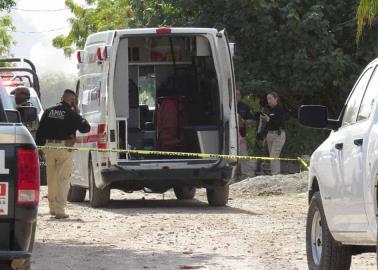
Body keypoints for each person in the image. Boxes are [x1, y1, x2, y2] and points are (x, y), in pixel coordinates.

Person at [36, 89, 90, 219]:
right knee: (63, 180)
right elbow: (85, 128)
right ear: (72, 101)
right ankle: (60, 210)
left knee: (51, 179)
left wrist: (40, 148)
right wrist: (78, 114)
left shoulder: (48, 111)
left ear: (62, 97)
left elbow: (40, 130)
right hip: (64, 148)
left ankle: (52, 208)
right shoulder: (71, 113)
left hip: (48, 147)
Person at [260, 92, 286, 175]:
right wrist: (265, 137)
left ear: (276, 99)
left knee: (274, 155)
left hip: (278, 134)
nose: (269, 101)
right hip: (269, 135)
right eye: (268, 99)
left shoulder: (280, 109)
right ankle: (274, 174)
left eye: (270, 98)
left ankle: (276, 175)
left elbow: (279, 123)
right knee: (272, 156)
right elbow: (268, 125)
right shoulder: (269, 110)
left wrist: (268, 119)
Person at [236, 89, 257, 178]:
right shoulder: (228, 106)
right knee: (231, 157)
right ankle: (234, 175)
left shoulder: (245, 107)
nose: (236, 96)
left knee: (243, 155)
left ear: (240, 96)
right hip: (230, 136)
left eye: (238, 94)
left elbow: (253, 121)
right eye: (235, 94)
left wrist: (244, 122)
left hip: (242, 135)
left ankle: (246, 175)